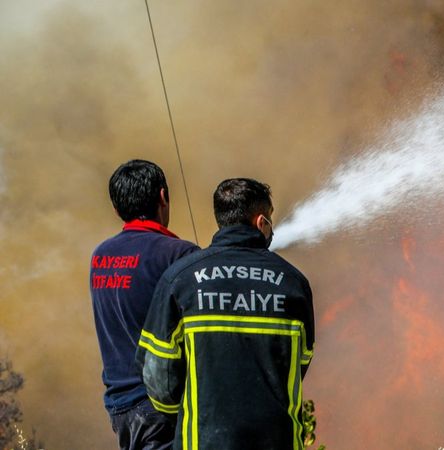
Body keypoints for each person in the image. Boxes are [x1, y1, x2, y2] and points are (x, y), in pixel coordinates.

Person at [137, 178, 314, 450]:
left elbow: (157, 371)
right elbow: (299, 363)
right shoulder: (293, 283)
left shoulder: (180, 279)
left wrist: (184, 414)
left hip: (204, 440)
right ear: (261, 223)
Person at [90, 160, 199, 450]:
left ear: (116, 209)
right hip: (163, 408)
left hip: (120, 406)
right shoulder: (178, 254)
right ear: (163, 196)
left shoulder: (100, 256)